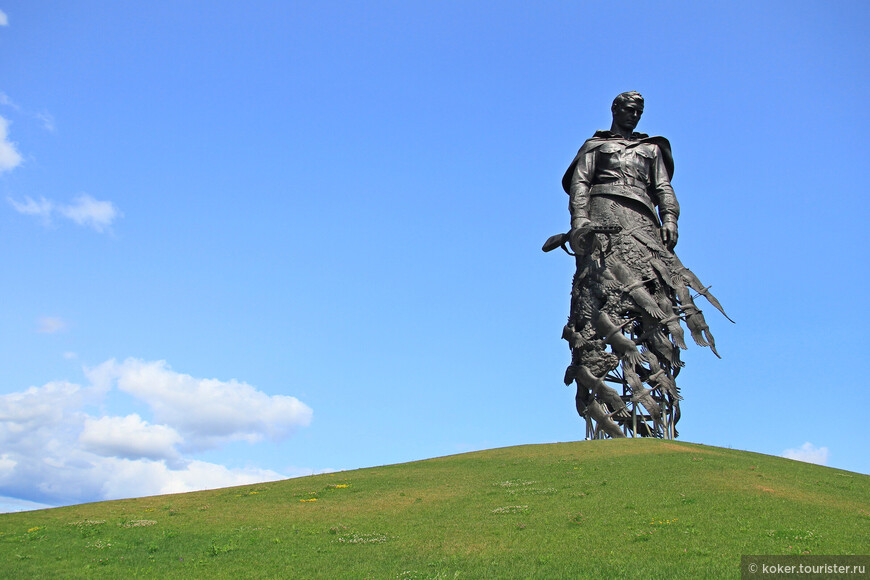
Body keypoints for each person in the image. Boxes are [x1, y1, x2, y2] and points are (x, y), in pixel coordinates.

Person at [559, 91, 729, 438]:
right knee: (600, 295)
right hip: (603, 213)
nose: (633, 116)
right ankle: (607, 406)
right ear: (615, 110)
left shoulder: (652, 149)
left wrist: (671, 219)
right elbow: (580, 184)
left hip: (642, 221)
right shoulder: (596, 146)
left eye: (639, 112)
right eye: (628, 110)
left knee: (658, 294)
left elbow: (663, 187)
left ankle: (656, 404)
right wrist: (579, 221)